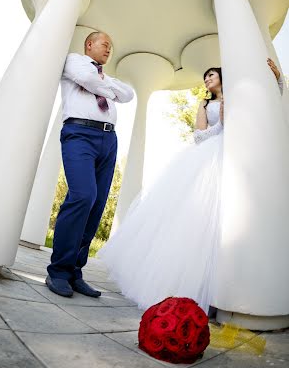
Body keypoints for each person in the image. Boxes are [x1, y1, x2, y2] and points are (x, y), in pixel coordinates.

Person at [98, 59, 284, 313]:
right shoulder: (205, 104)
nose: (207, 79)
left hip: (239, 155)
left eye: (211, 74)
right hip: (210, 156)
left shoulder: (237, 96)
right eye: (205, 76)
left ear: (221, 77)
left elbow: (266, 105)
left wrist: (278, 79)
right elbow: (198, 136)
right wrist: (220, 124)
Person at [46, 31, 134, 298]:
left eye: (111, 45)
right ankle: (58, 271)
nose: (109, 49)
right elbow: (85, 79)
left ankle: (75, 272)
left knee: (96, 206)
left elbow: (128, 94)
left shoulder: (104, 75)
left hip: (109, 139)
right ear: (89, 45)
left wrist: (102, 83)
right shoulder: (74, 61)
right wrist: (106, 86)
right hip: (79, 134)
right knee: (83, 196)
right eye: (105, 44)